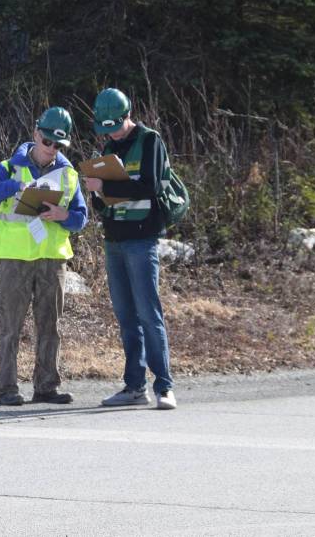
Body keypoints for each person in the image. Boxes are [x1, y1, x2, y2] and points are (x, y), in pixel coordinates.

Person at [0, 107, 89, 406]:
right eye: (48, 142)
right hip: (15, 258)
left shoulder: (69, 174)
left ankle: (46, 387)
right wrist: (15, 187)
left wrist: (63, 215)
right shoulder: (10, 167)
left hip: (52, 260)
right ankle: (7, 389)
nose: (52, 149)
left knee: (50, 325)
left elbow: (81, 219)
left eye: (59, 145)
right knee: (10, 325)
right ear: (36, 134)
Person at [84, 88, 177, 410]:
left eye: (114, 125)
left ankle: (164, 386)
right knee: (126, 317)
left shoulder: (150, 141)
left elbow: (150, 187)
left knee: (149, 314)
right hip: (114, 239)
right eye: (104, 127)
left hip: (142, 238)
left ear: (127, 116)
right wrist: (97, 194)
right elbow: (104, 204)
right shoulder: (110, 147)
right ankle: (134, 386)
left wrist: (106, 186)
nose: (109, 132)